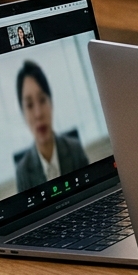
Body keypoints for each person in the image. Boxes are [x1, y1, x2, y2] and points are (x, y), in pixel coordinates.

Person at [14, 60, 89, 192]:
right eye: (29, 105)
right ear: (23, 114)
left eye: (42, 100)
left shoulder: (75, 150)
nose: (38, 114)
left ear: (51, 103)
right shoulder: (23, 172)